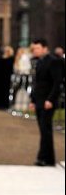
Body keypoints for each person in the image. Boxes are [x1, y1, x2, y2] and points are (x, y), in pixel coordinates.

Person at [30, 38, 63, 166]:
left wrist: (50, 99)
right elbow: (37, 83)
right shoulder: (39, 62)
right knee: (44, 129)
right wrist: (33, 100)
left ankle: (44, 158)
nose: (35, 51)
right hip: (39, 100)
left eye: (37, 48)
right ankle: (48, 158)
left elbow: (57, 82)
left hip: (48, 101)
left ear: (45, 48)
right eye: (34, 49)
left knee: (46, 129)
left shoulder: (54, 61)